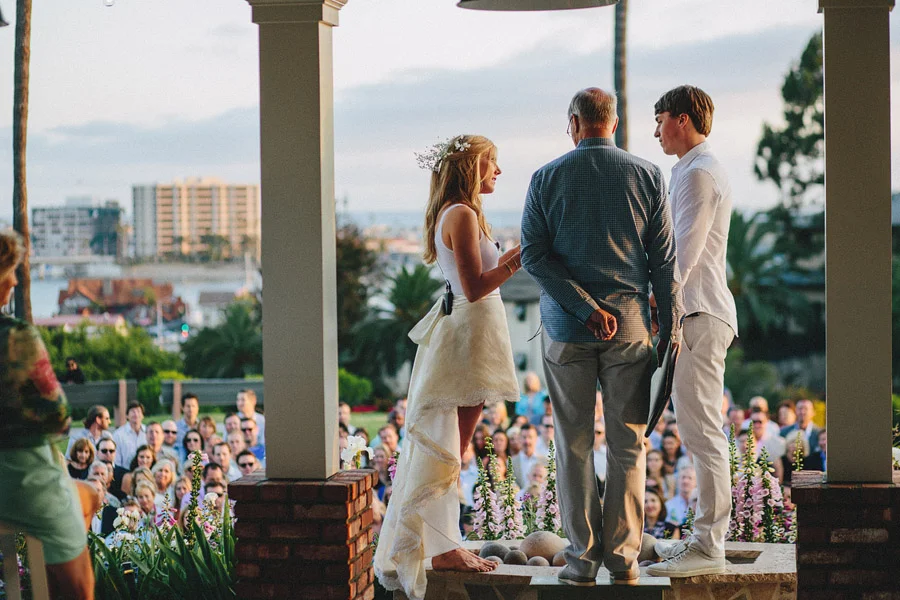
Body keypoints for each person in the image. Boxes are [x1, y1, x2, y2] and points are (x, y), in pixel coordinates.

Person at [521, 88, 682, 586]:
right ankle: (624, 560)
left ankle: (582, 560)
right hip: (632, 330)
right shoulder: (648, 176)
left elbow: (534, 256)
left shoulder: (546, 178)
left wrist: (585, 308)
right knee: (628, 446)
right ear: (613, 122)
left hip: (568, 332)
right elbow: (665, 263)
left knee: (572, 443)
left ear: (574, 123)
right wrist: (669, 327)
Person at [375, 134, 522, 599]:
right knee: (449, 450)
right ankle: (442, 550)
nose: (498, 171)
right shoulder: (459, 214)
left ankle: (444, 543)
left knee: (451, 450)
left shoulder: (466, 214)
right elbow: (475, 287)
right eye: (492, 163)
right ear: (472, 167)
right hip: (469, 336)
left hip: (477, 336)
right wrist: (517, 261)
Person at [649, 86, 739, 579]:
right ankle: (702, 539)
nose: (657, 130)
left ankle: (709, 545)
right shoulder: (690, 169)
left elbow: (683, 252)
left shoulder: (699, 172)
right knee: (695, 428)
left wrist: (656, 303)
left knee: (703, 431)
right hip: (695, 316)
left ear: (682, 120)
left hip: (700, 315)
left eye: (660, 119)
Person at [0, 229, 97, 599]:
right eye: (9, 272)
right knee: (81, 590)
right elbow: (58, 416)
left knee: (87, 493)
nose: (12, 281)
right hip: (21, 478)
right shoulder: (16, 337)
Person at [113, 401, 147, 469]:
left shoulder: (148, 431)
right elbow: (117, 461)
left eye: (138, 411)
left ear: (143, 415)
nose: (136, 414)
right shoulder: (118, 435)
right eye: (133, 411)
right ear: (127, 416)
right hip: (125, 472)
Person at [511, 424, 543, 490]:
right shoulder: (511, 462)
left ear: (536, 439)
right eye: (524, 437)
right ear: (519, 439)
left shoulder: (546, 462)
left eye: (530, 437)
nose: (527, 441)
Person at [97, 436, 129, 501]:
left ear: (115, 453)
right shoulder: (90, 471)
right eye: (104, 451)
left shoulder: (124, 474)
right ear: (97, 453)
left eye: (111, 451)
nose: (108, 453)